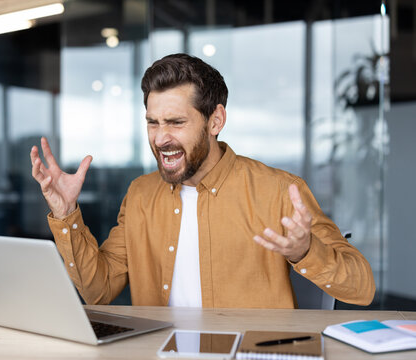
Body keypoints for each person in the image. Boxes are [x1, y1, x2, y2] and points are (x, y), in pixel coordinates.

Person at [30, 53, 375, 308]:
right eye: (153, 122)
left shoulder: (279, 191)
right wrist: (66, 213)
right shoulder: (141, 195)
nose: (161, 138)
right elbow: (99, 290)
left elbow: (362, 288)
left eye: (176, 122)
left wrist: (305, 252)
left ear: (216, 120)